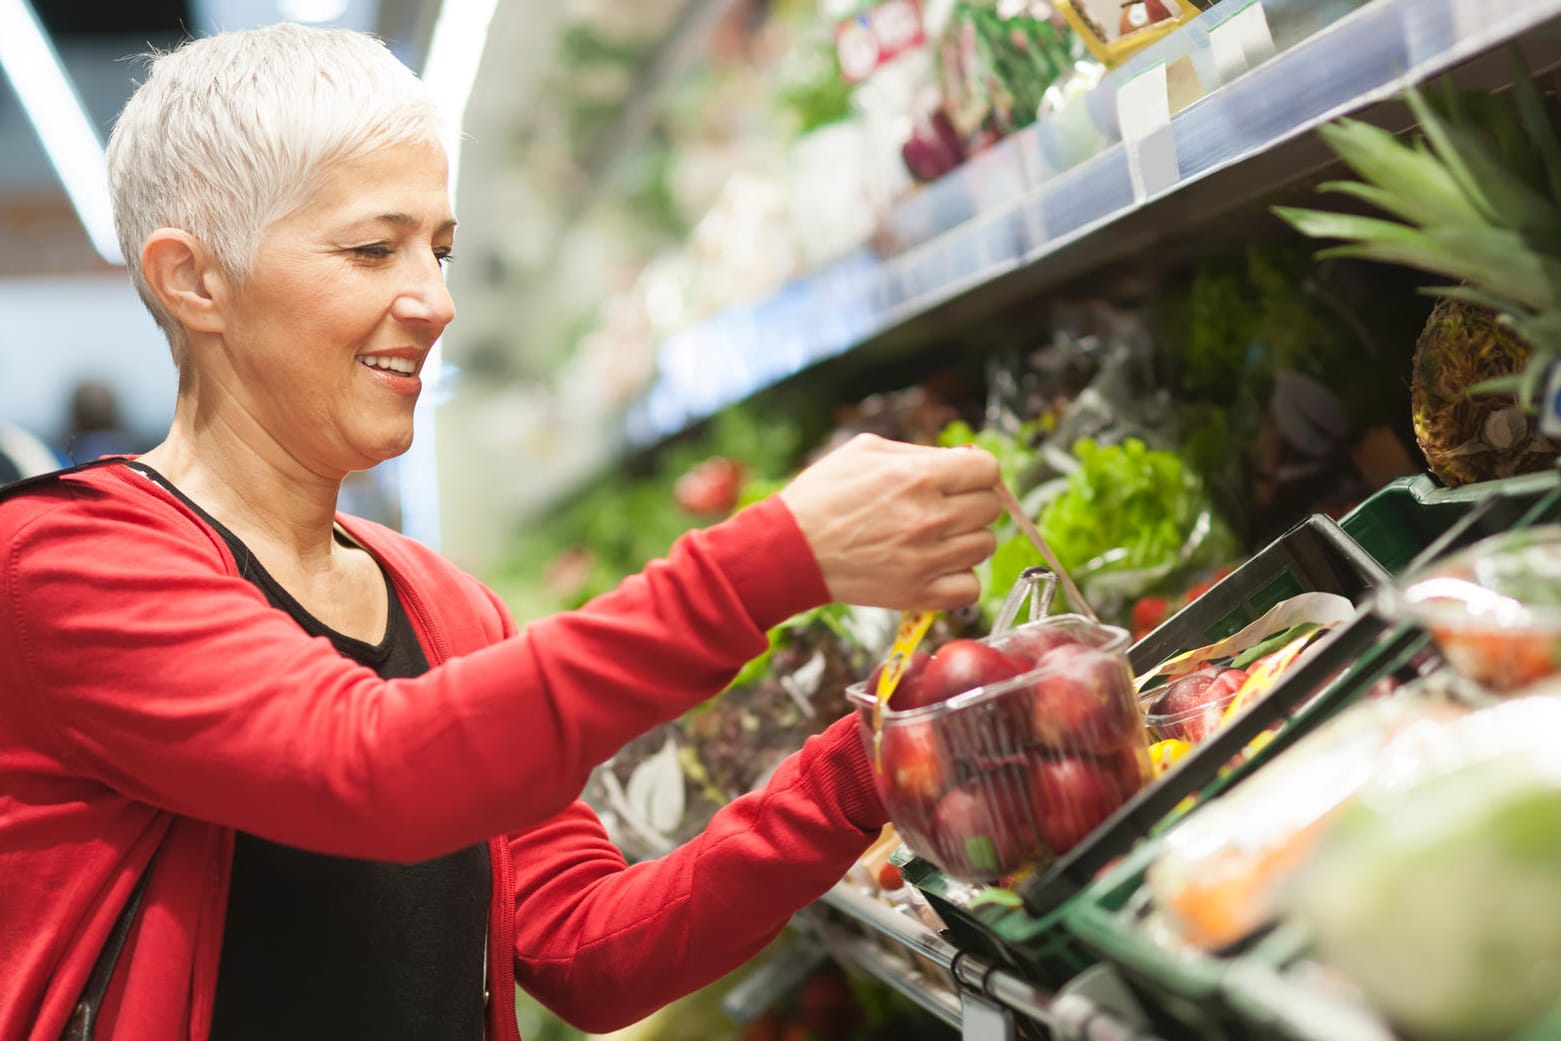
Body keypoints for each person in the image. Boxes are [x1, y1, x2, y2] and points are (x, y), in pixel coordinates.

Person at [0, 23, 1002, 1041]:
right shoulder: (68, 564)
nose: (435, 302)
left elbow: (584, 953)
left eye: (438, 250)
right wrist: (765, 565)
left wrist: (866, 764)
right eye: (370, 248)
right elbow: (371, 769)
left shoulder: (443, 605)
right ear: (194, 280)